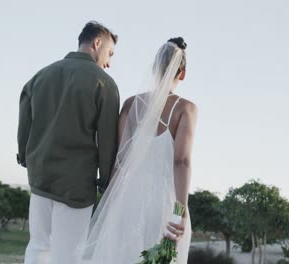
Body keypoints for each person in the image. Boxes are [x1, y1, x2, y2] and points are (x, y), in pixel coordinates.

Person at [76, 37, 198, 264]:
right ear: (183, 73)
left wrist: (109, 206)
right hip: (164, 201)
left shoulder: (131, 105)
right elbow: (181, 162)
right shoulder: (186, 109)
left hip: (128, 199)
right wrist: (179, 212)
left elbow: (120, 161)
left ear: (154, 68)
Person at [17, 21, 119, 264]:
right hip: (76, 185)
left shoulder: (41, 75)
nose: (109, 62)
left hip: (40, 177)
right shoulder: (105, 84)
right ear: (97, 43)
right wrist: (105, 181)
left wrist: (24, 156)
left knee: (38, 248)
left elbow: (24, 123)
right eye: (110, 53)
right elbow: (107, 141)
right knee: (69, 255)